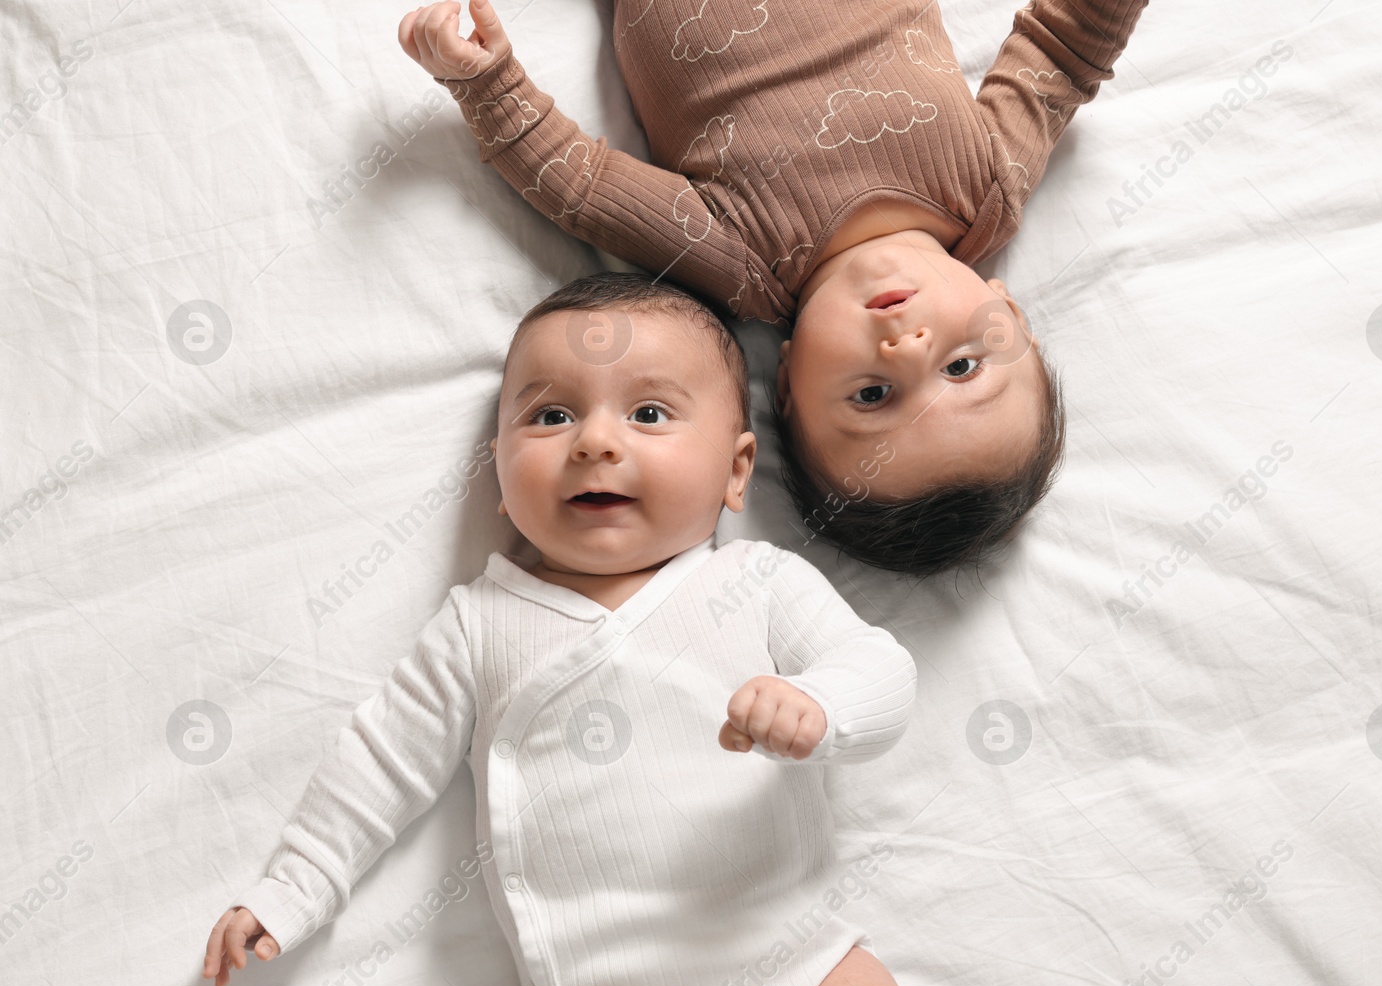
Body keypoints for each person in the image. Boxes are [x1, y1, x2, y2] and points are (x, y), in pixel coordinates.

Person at [201, 273, 929, 986]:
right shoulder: (480, 626)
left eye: (649, 413)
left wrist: (819, 706)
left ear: (735, 468)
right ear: (502, 479)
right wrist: (292, 888)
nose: (594, 441)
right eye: (551, 415)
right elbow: (378, 762)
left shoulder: (757, 583)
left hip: (801, 975)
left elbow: (881, 667)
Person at [399, 0, 1148, 575]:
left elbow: (586, 188)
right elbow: (1065, 47)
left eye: (872, 395)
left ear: (785, 383)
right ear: (1009, 316)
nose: (909, 346)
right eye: (961, 367)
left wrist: (486, 86)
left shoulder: (739, 261)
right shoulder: (990, 182)